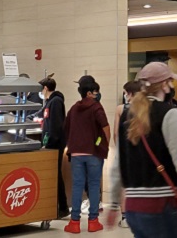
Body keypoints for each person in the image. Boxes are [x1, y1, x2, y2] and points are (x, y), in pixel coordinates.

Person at [105, 62, 177, 237]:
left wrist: (114, 203)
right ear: (164, 85)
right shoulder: (169, 114)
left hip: (133, 208)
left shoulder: (127, 116)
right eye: (170, 81)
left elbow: (118, 166)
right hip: (160, 206)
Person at [63, 75, 109, 234]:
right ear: (89, 93)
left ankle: (74, 222)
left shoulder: (73, 108)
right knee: (94, 185)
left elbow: (66, 129)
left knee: (77, 186)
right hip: (93, 153)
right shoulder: (96, 107)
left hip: (76, 153)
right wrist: (103, 144)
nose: (97, 94)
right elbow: (105, 127)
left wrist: (72, 145)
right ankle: (93, 221)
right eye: (95, 92)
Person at [39, 77, 70, 219]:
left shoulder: (55, 102)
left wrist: (49, 143)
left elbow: (56, 126)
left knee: (56, 175)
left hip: (55, 145)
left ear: (45, 88)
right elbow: (42, 115)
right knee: (54, 175)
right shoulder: (50, 102)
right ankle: (58, 207)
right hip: (52, 144)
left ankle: (63, 207)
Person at [114, 80, 143, 229]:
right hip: (140, 152)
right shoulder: (144, 109)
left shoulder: (120, 109)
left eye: (125, 93)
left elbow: (115, 134)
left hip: (125, 152)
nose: (125, 96)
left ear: (130, 94)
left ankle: (125, 217)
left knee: (124, 185)